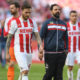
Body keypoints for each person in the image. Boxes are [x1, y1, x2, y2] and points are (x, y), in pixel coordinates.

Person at [6, 1, 43, 80]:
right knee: (25, 71)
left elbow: (37, 36)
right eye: (26, 12)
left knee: (23, 73)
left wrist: (40, 46)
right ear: (21, 11)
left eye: (29, 12)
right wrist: (7, 53)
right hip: (19, 50)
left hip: (29, 51)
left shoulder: (32, 22)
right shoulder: (15, 22)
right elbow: (9, 38)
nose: (28, 14)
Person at [40, 4, 68, 80]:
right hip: (49, 54)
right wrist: (40, 48)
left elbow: (66, 38)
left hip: (61, 54)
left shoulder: (64, 24)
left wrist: (66, 49)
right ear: (51, 11)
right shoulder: (46, 23)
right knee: (48, 74)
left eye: (59, 9)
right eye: (55, 9)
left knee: (59, 76)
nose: (58, 11)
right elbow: (40, 36)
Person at [4, 2, 20, 80]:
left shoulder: (23, 20)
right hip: (12, 46)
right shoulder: (8, 20)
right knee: (11, 65)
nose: (11, 10)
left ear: (17, 9)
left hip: (22, 47)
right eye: (10, 8)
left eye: (12, 8)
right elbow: (5, 34)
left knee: (24, 68)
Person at [66, 10, 80, 80]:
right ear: (70, 17)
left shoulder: (79, 25)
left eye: (75, 16)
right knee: (70, 67)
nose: (74, 17)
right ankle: (70, 78)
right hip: (69, 50)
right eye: (73, 16)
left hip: (78, 50)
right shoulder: (66, 26)